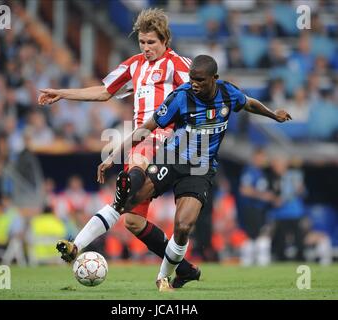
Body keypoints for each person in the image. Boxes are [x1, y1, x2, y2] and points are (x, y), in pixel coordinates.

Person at [97, 55, 292, 291]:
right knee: (126, 202)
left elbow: (249, 103)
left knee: (183, 226)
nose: (194, 84)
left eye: (200, 80)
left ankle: (163, 278)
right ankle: (77, 245)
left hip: (201, 169)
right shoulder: (181, 96)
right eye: (192, 79)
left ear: (214, 79)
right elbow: (146, 127)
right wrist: (113, 155)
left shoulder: (228, 93)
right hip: (171, 159)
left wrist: (274, 115)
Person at [38, 8, 199, 288]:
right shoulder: (133, 65)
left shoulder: (179, 65)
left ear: (165, 41)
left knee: (132, 172)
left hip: (166, 141)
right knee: (132, 222)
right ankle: (184, 268)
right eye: (142, 42)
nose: (146, 48)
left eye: (152, 43)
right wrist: (62, 93)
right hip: (140, 138)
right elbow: (104, 91)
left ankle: (77, 244)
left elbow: (199, 95)